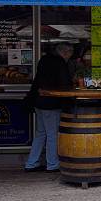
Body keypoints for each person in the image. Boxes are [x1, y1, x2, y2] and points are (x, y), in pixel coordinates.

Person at [24, 43, 74, 172]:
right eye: (69, 55)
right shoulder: (59, 62)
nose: (69, 57)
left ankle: (31, 163)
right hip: (51, 104)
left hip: (39, 102)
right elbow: (64, 84)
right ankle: (52, 164)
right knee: (52, 134)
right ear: (65, 52)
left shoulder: (44, 59)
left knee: (40, 133)